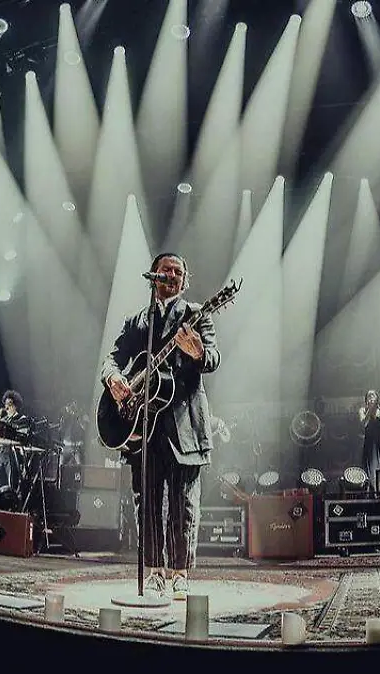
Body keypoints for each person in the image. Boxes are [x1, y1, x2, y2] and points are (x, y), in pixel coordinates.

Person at [101, 253, 219, 601]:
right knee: (148, 503)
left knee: (184, 504)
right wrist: (114, 379)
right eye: (166, 269)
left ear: (186, 280)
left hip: (185, 424)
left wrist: (197, 352)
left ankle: (180, 574)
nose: (172, 274)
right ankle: (154, 572)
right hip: (143, 426)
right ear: (154, 276)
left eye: (179, 271)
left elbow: (213, 358)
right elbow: (112, 358)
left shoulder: (196, 314)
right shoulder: (138, 322)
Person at [0, 389, 29, 509]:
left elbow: (22, 438)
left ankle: (13, 507)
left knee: (11, 485)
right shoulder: (4, 419)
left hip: (12, 455)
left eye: (10, 404)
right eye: (5, 404)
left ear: (16, 405)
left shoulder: (21, 419)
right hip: (0, 455)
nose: (7, 407)